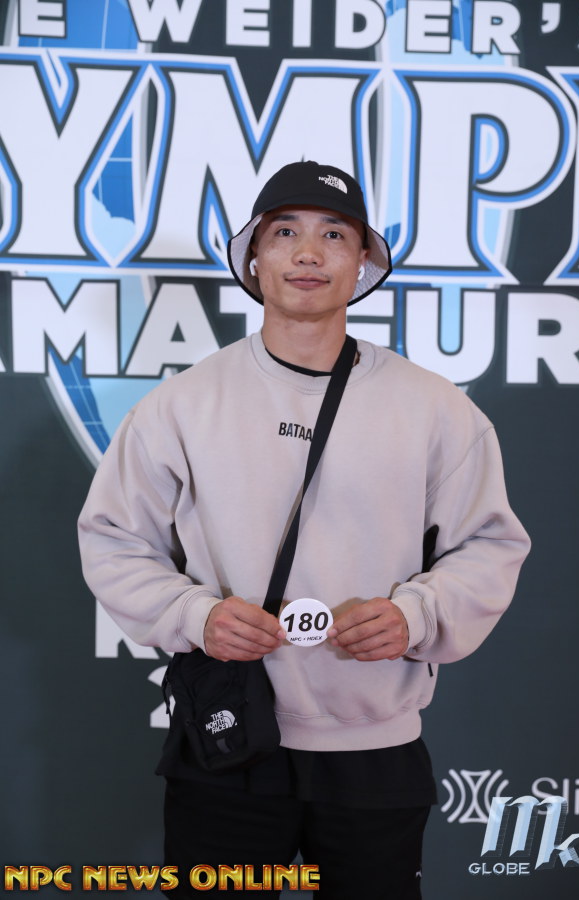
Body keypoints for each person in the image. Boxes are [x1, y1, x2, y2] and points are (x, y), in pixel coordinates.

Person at [78, 161, 530, 898]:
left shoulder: (436, 409)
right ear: (255, 257)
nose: (309, 253)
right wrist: (194, 615)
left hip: (374, 749)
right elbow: (113, 538)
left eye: (335, 234)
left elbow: (489, 544)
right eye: (285, 232)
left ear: (364, 261)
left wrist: (417, 615)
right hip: (227, 735)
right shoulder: (183, 404)